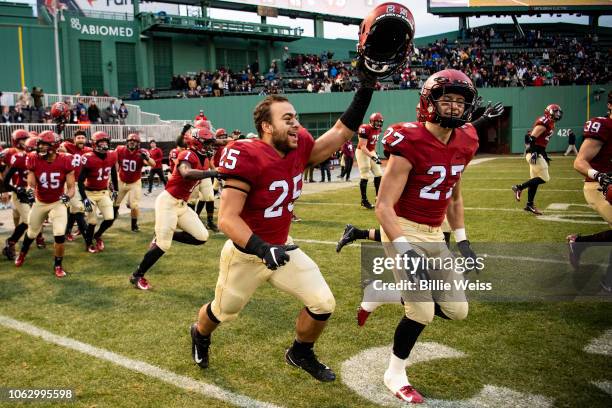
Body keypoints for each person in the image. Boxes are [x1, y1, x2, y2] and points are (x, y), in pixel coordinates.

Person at [190, 67, 377, 382]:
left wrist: (367, 85)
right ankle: (199, 334)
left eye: (296, 117)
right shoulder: (245, 154)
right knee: (223, 312)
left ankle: (300, 352)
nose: (296, 123)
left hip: (281, 247)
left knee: (322, 302)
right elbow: (226, 218)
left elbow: (340, 133)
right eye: (287, 118)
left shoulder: (300, 144)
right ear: (266, 126)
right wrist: (262, 249)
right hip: (247, 254)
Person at [374, 69, 480, 403]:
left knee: (458, 310)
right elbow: (383, 206)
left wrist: (461, 240)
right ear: (428, 102)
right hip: (403, 229)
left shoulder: (467, 140)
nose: (453, 107)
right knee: (422, 312)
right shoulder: (410, 140)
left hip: (436, 234)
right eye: (446, 99)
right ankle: (394, 373)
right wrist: (405, 251)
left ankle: (391, 291)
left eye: (459, 101)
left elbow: (455, 195)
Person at [129, 127, 218, 290]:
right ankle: (137, 275)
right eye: (207, 143)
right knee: (164, 245)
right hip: (168, 202)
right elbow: (186, 173)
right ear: (196, 143)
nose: (210, 147)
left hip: (182, 205)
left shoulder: (204, 158)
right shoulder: (187, 154)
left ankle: (162, 234)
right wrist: (212, 173)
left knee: (201, 236)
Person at [567, 91, 612, 292]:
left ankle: (580, 244)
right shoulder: (604, 125)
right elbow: (579, 162)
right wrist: (599, 175)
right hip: (600, 186)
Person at [14, 131, 75, 278]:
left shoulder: (66, 160)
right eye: (39, 145)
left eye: (43, 145)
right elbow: (31, 183)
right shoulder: (33, 159)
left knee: (60, 234)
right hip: (40, 202)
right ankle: (22, 253)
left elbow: (71, 187)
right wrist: (29, 191)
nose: (39, 148)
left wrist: (66, 198)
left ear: (53, 146)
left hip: (58, 201)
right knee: (32, 232)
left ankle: (58, 265)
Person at [512, 104, 563, 215]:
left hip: (537, 153)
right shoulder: (545, 121)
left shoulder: (550, 122)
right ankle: (519, 187)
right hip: (534, 154)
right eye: (555, 112)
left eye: (558, 112)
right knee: (545, 178)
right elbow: (530, 137)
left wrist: (543, 154)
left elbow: (539, 141)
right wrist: (534, 151)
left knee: (534, 181)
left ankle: (529, 205)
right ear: (549, 112)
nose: (558, 114)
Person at [78, 131, 118, 253]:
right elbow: (80, 181)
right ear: (95, 144)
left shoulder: (111, 155)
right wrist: (84, 198)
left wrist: (116, 189)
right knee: (92, 221)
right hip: (89, 193)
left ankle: (98, 235)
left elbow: (113, 173)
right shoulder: (88, 158)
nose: (104, 145)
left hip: (103, 192)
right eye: (101, 142)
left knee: (110, 218)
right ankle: (89, 243)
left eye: (106, 142)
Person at [114, 133, 155, 232]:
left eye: (134, 141)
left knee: (134, 205)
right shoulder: (120, 149)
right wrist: (114, 177)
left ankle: (134, 225)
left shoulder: (142, 152)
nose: (132, 143)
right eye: (130, 141)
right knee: (114, 202)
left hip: (134, 182)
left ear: (138, 143)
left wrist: (147, 158)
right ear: (127, 142)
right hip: (121, 180)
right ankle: (113, 216)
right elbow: (114, 161)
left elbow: (153, 164)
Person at [2, 130, 32, 260]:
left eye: (27, 139)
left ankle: (13, 243)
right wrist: (5, 190)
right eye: (23, 139)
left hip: (28, 189)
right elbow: (2, 170)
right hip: (17, 188)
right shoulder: (9, 152)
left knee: (29, 219)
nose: (26, 142)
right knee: (23, 219)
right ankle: (11, 244)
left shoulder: (32, 155)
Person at [58, 130, 91, 242]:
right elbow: (60, 148)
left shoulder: (88, 150)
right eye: (78, 137)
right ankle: (87, 236)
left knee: (74, 209)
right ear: (74, 139)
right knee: (77, 208)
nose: (81, 139)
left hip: (82, 184)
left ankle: (67, 231)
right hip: (71, 183)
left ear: (85, 139)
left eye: (82, 137)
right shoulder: (68, 146)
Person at [356, 112, 384, 209]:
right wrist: (373, 157)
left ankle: (378, 197)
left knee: (379, 173)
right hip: (362, 152)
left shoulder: (378, 129)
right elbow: (363, 146)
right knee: (365, 175)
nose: (379, 124)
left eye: (380, 122)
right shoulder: (365, 128)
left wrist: (375, 154)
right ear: (371, 121)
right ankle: (364, 200)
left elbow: (372, 144)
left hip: (371, 151)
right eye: (377, 122)